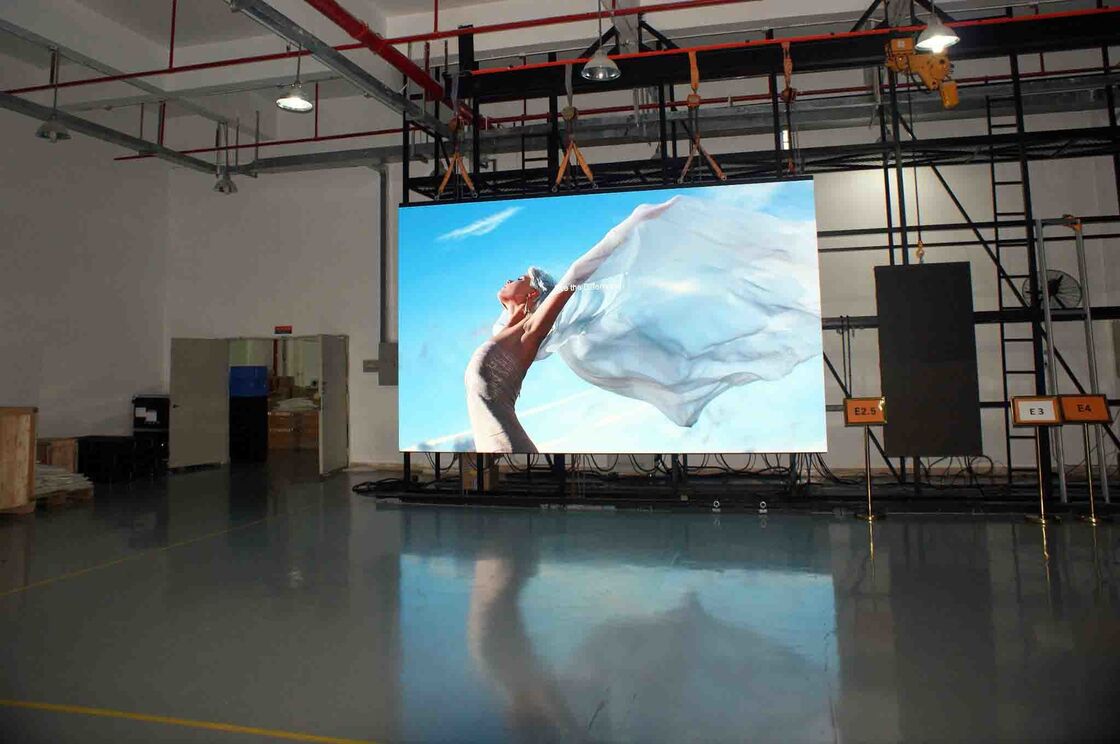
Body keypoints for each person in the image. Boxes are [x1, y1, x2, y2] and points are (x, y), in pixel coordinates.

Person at [464, 200, 677, 453]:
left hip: (509, 450)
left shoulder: (528, 334)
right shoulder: (503, 335)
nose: (510, 279)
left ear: (533, 294)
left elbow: (576, 274)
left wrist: (632, 223)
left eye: (520, 278)